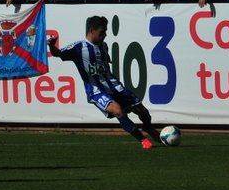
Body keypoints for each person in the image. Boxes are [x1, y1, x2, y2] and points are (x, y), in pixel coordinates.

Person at [48, 15, 161, 148]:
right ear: (92, 31)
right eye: (102, 32)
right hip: (96, 91)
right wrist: (51, 45)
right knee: (118, 111)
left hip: (115, 86)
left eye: (106, 31)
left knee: (142, 111)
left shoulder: (104, 46)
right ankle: (143, 140)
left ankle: (148, 128)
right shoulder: (78, 47)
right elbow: (58, 53)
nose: (105, 35)